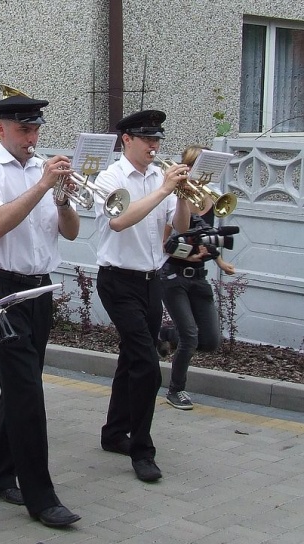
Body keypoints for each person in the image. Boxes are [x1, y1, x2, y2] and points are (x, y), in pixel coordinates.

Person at [0, 95, 81, 527]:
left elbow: (69, 233)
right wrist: (43, 187)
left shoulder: (41, 170)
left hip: (39, 288)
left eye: (36, 129)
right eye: (24, 130)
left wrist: (65, 199)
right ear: (3, 128)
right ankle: (42, 496)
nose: (33, 138)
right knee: (29, 393)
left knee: (23, 384)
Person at [93, 109, 190, 483]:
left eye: (158, 139)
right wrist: (166, 189)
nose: (155, 146)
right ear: (127, 140)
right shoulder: (110, 178)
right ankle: (142, 448)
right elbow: (119, 221)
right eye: (148, 139)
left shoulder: (157, 176)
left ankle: (114, 432)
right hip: (118, 281)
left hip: (152, 281)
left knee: (130, 359)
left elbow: (178, 229)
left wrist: (181, 196)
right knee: (147, 363)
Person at [160, 144, 234, 410]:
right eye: (204, 167)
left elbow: (205, 236)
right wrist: (184, 256)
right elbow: (164, 241)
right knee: (190, 336)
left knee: (210, 341)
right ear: (189, 168)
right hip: (173, 277)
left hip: (199, 278)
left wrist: (219, 260)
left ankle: (164, 333)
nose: (208, 175)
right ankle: (175, 391)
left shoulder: (209, 199)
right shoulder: (174, 198)